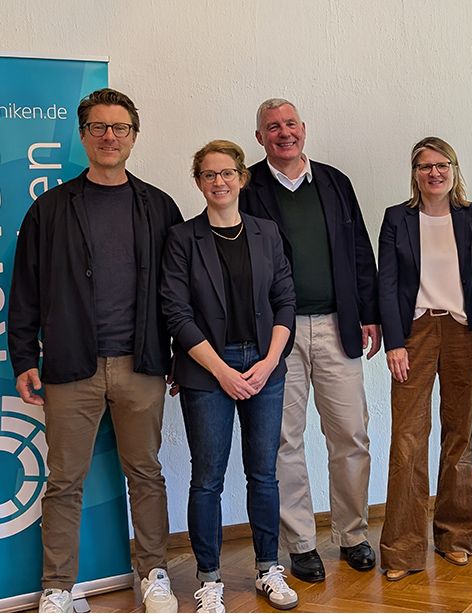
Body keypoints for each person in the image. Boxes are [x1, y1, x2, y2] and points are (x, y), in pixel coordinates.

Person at [8, 88, 182, 614]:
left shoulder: (159, 206)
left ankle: (153, 574)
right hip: (71, 366)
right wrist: (23, 360)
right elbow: (25, 290)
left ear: (134, 135)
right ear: (83, 135)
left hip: (143, 364)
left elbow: (178, 289)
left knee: (146, 474)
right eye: (100, 128)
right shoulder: (51, 208)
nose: (110, 137)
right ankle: (58, 587)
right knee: (63, 481)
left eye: (120, 128)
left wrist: (180, 354)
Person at [238, 98, 380, 581]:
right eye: (272, 127)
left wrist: (368, 313)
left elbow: (359, 249)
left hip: (339, 325)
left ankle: (353, 533)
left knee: (352, 435)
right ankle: (299, 543)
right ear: (260, 138)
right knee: (283, 442)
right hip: (277, 333)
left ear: (304, 128)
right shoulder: (246, 187)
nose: (284, 133)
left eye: (291, 124)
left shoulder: (335, 182)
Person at [160, 140, 298, 612]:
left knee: (263, 474)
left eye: (227, 173)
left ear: (242, 177)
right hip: (206, 371)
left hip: (265, 365)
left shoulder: (266, 232)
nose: (219, 182)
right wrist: (223, 372)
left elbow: (285, 301)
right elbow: (176, 314)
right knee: (208, 479)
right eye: (209, 174)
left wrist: (268, 362)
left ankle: (267, 569)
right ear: (198, 181)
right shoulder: (182, 238)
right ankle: (209, 579)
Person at [376, 137, 472, 581]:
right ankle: (403, 550)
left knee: (458, 434)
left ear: (454, 169)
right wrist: (394, 342)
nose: (434, 173)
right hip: (415, 332)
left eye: (442, 165)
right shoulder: (396, 219)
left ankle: (455, 536)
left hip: (464, 333)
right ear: (415, 173)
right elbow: (387, 284)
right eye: (425, 166)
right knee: (407, 440)